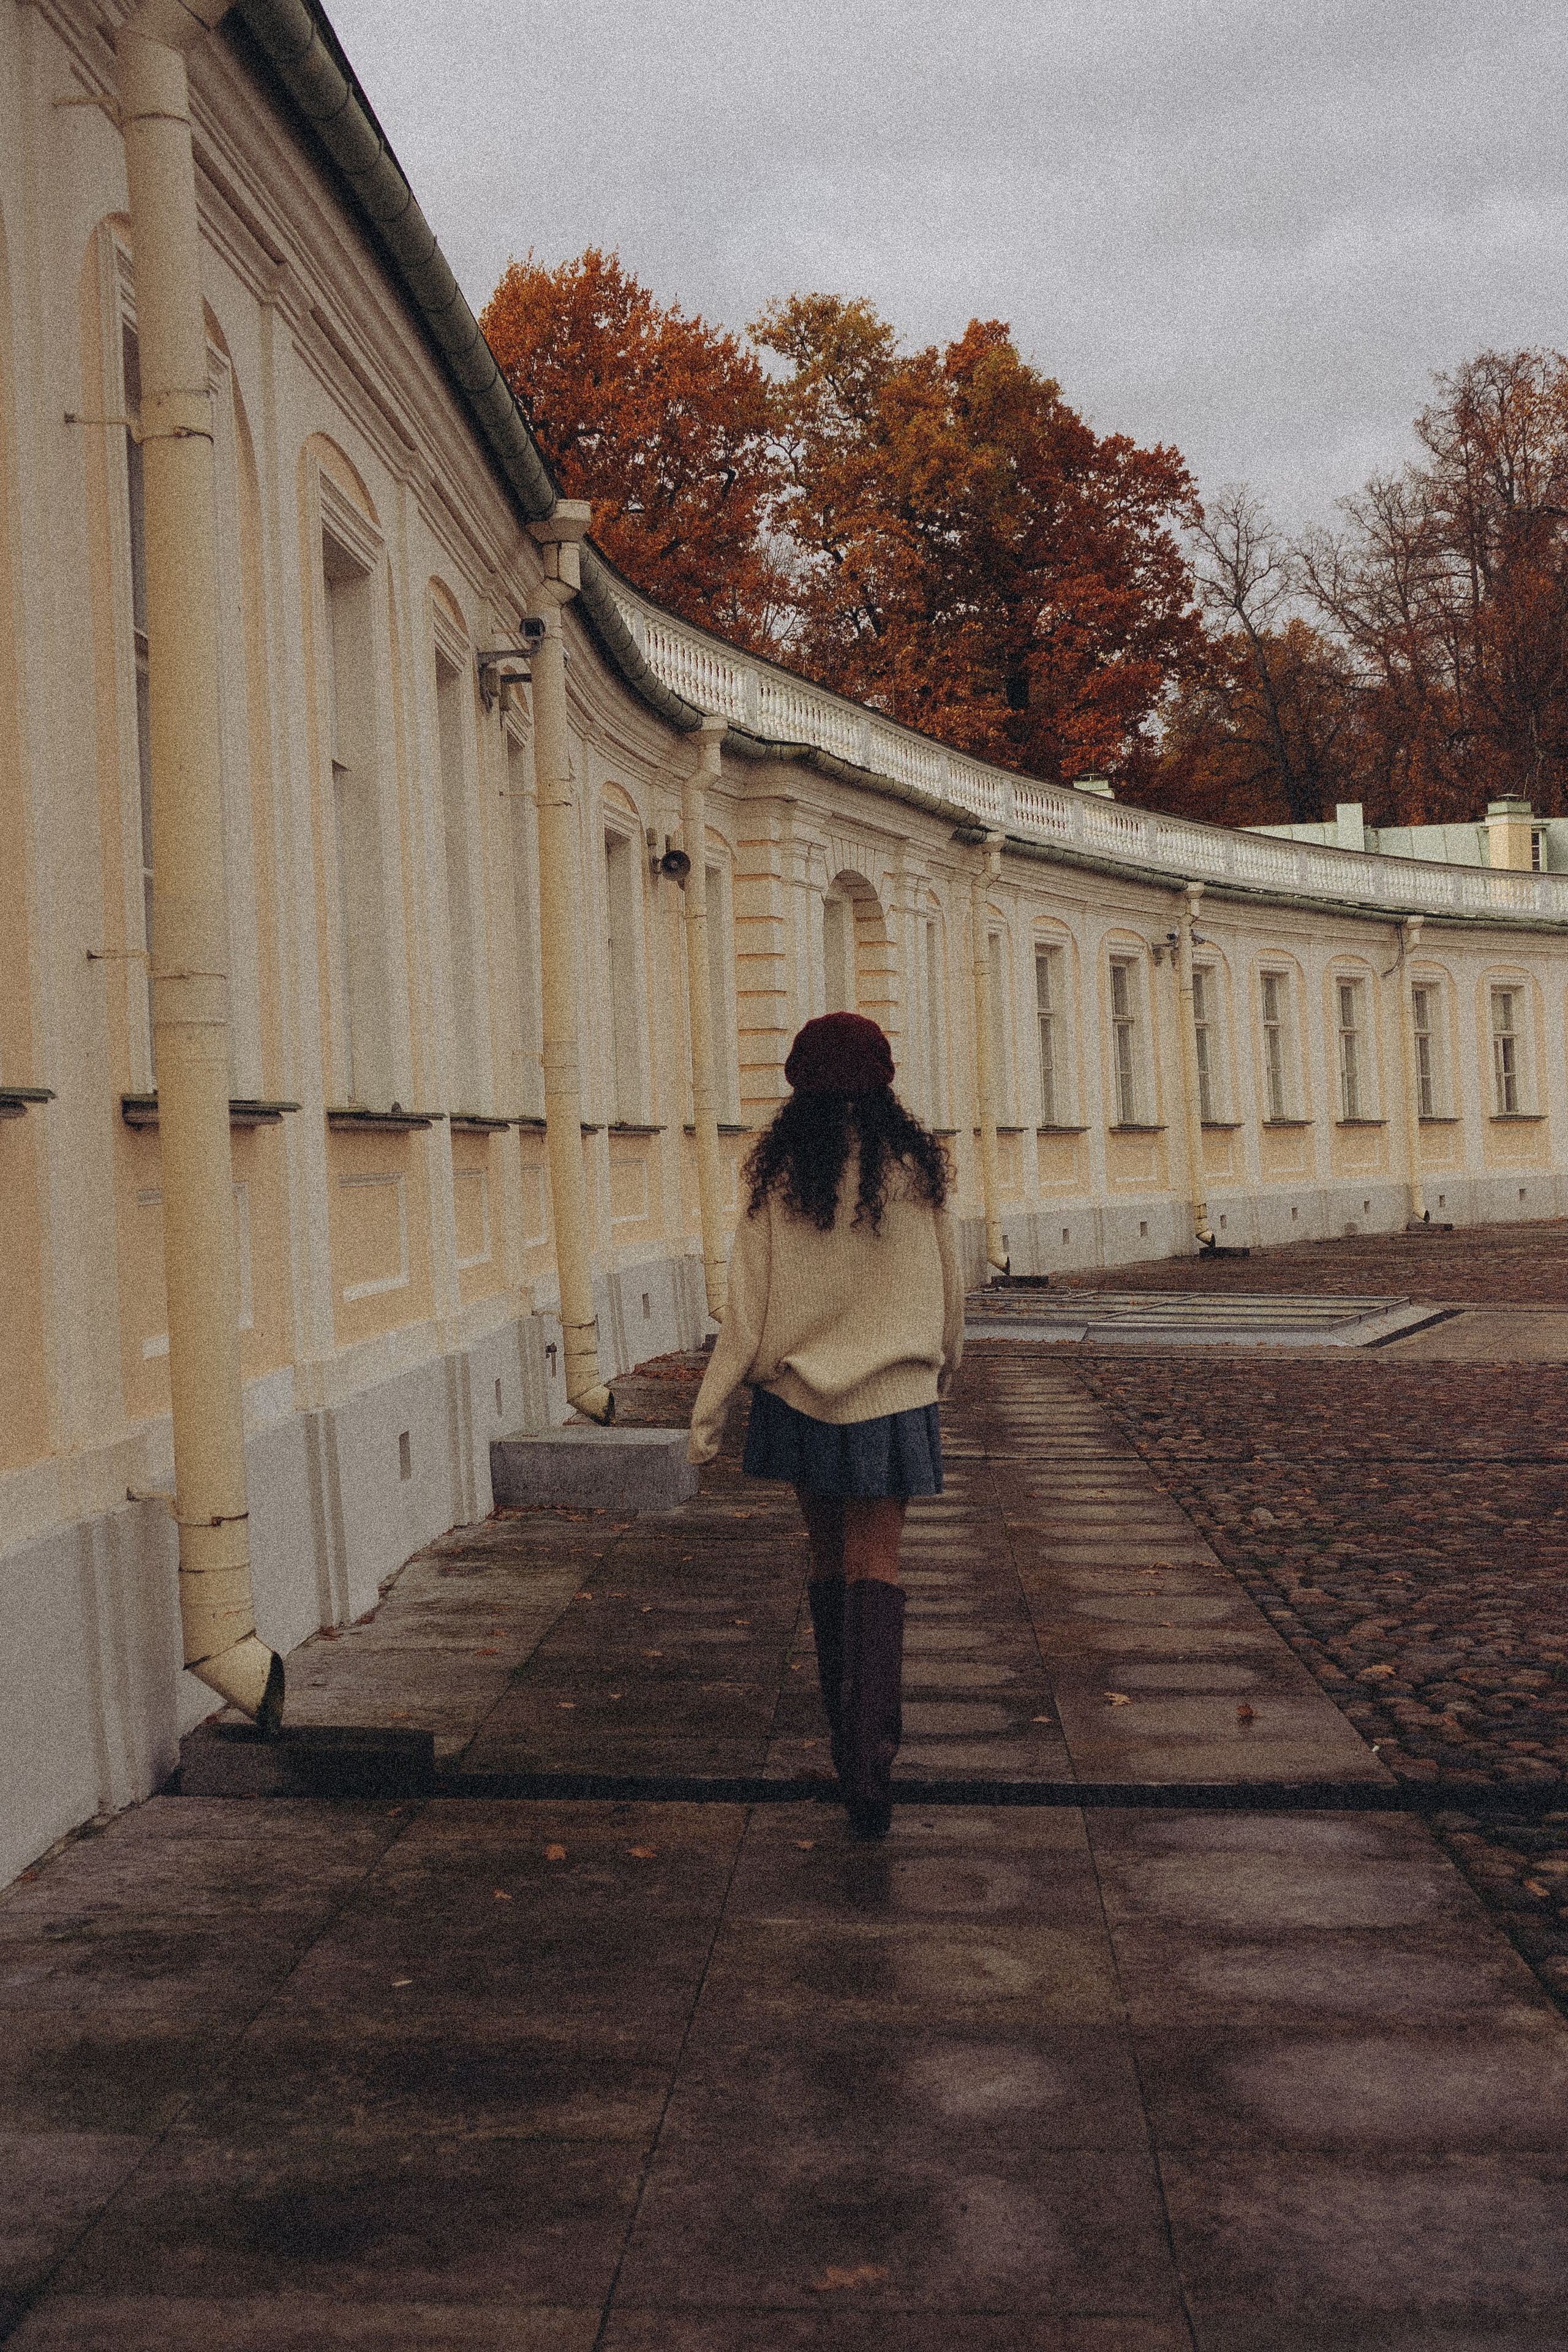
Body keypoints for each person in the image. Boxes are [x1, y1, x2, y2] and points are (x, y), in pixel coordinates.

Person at [688, 1012, 964, 1837]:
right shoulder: (919, 1169)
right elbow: (954, 1286)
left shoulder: (777, 1177)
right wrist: (945, 1366)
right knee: (877, 1561)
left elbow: (745, 1308)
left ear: (798, 1084)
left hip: (800, 1393)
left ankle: (846, 1744)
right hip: (898, 1389)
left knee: (826, 1561)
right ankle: (872, 1761)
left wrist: (709, 1412)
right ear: (884, 1081)